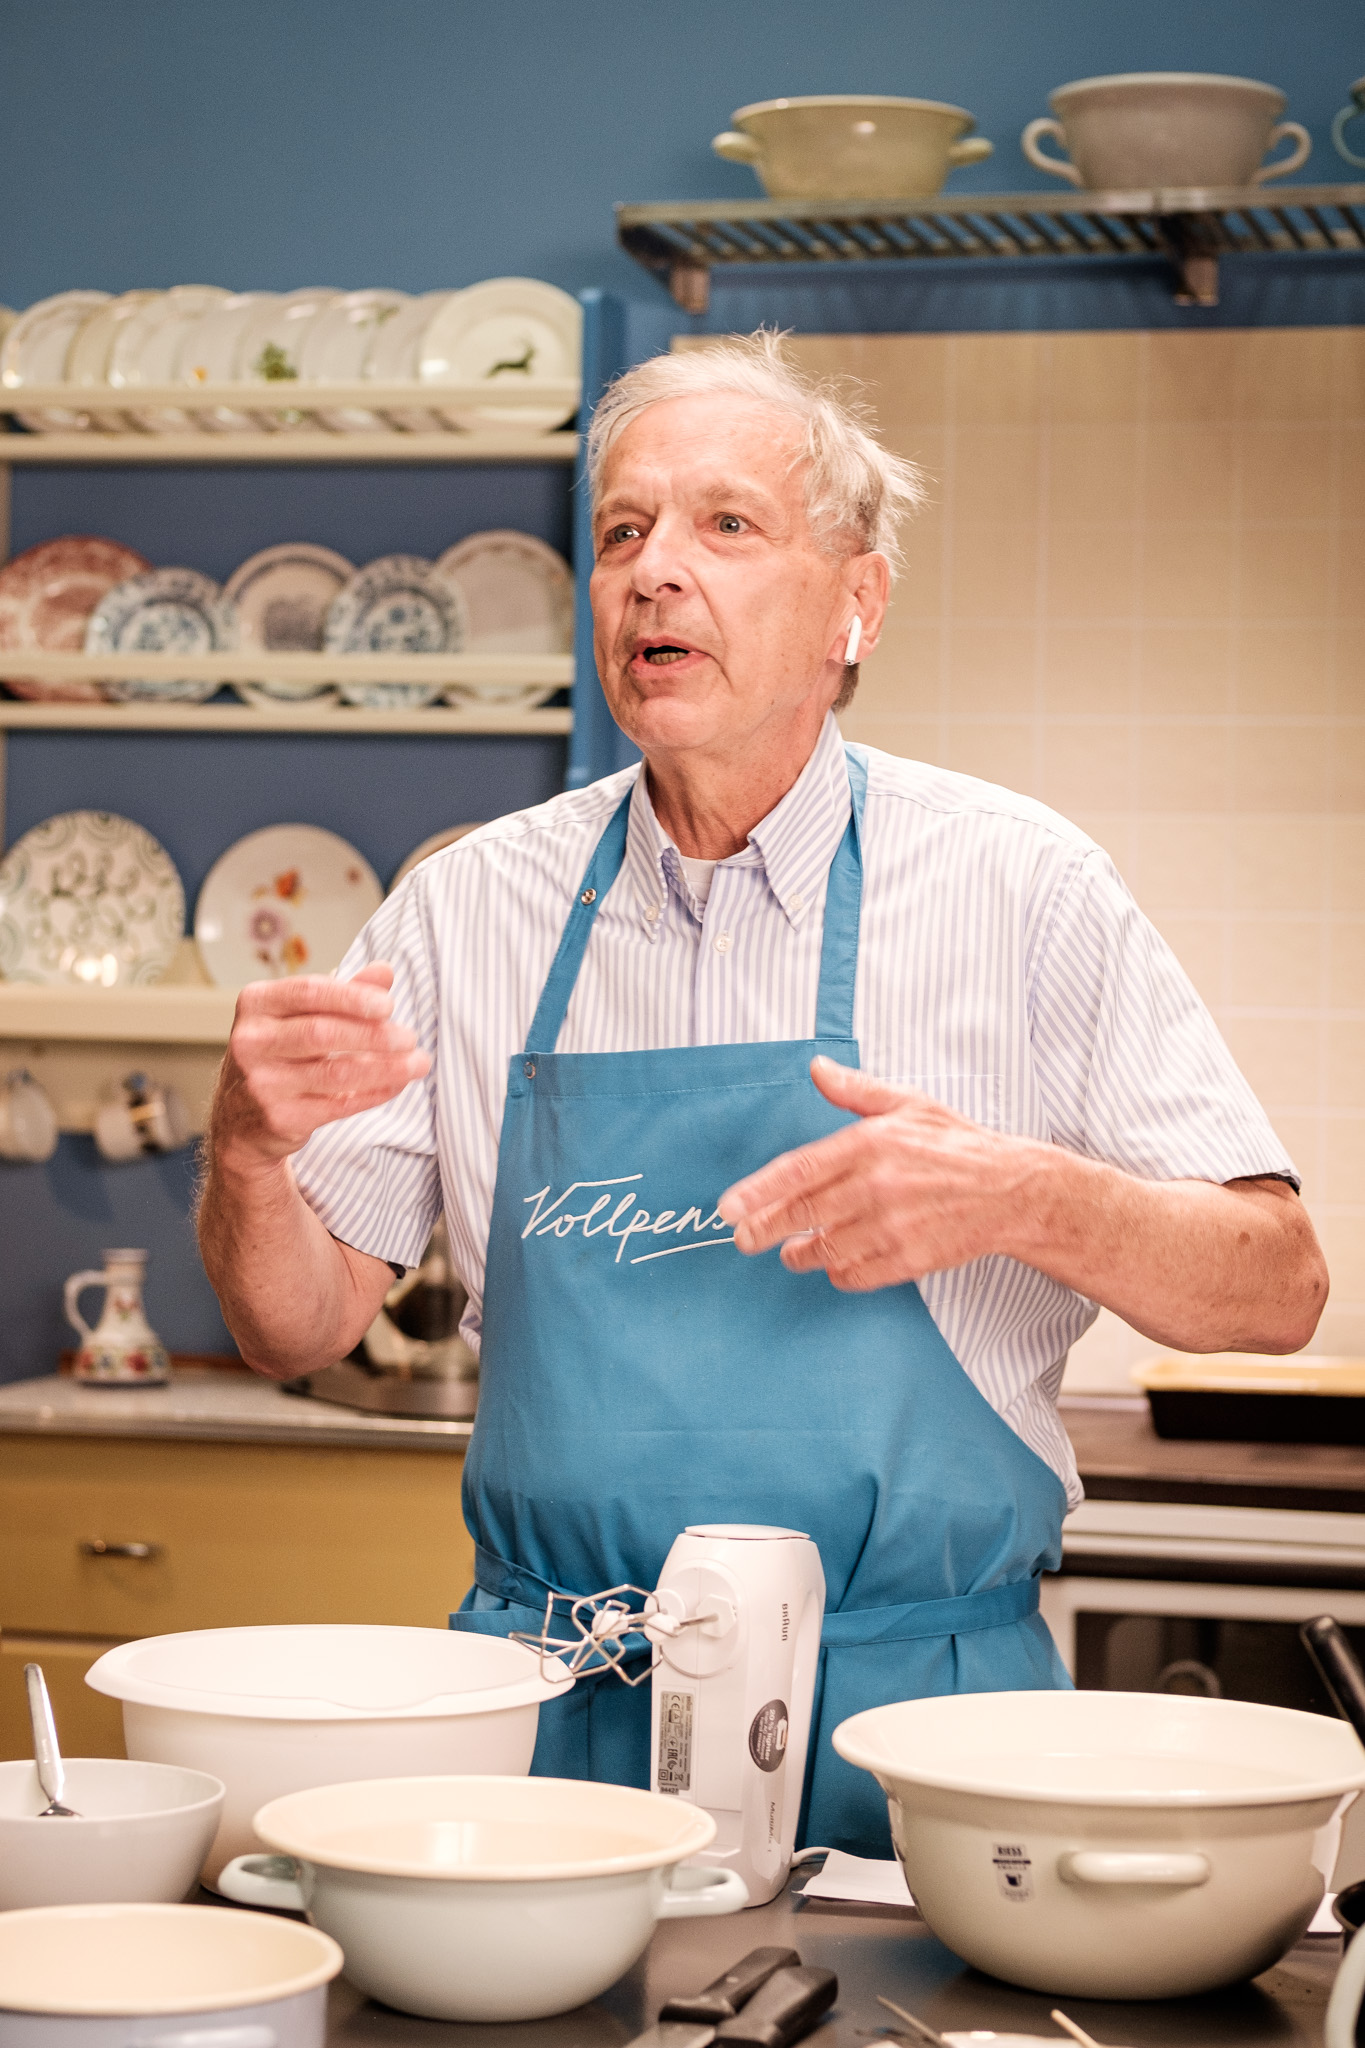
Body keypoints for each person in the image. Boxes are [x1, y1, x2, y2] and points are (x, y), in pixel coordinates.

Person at [198, 331, 1327, 1855]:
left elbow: (1276, 1288)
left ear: (853, 603)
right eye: (621, 532)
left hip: (920, 1733)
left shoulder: (1020, 887)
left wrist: (1025, 1193)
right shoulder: (465, 908)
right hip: (547, 1732)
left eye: (724, 524)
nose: (656, 570)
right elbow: (296, 1324)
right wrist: (248, 1155)